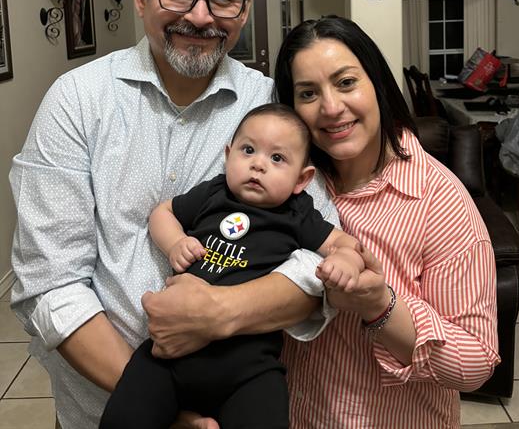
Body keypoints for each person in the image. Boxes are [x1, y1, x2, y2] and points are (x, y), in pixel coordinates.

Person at [10, 0, 338, 429]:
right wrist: (155, 403)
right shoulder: (76, 100)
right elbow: (51, 284)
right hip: (102, 412)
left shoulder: (272, 109)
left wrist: (220, 311)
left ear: (244, 9)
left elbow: (314, 263)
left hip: (238, 404)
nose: (200, 17)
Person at [274, 16, 500, 429]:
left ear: (377, 83)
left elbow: (475, 363)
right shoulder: (289, 185)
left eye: (346, 82)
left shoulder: (437, 199)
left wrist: (380, 306)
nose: (331, 108)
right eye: (308, 93)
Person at [100, 103, 364, 429]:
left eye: (277, 158)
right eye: (248, 150)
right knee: (122, 418)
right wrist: (175, 243)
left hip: (248, 367)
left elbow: (345, 244)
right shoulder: (214, 193)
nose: (258, 164)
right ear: (228, 155)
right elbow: (162, 213)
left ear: (302, 179)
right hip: (168, 356)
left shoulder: (297, 213)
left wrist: (344, 259)